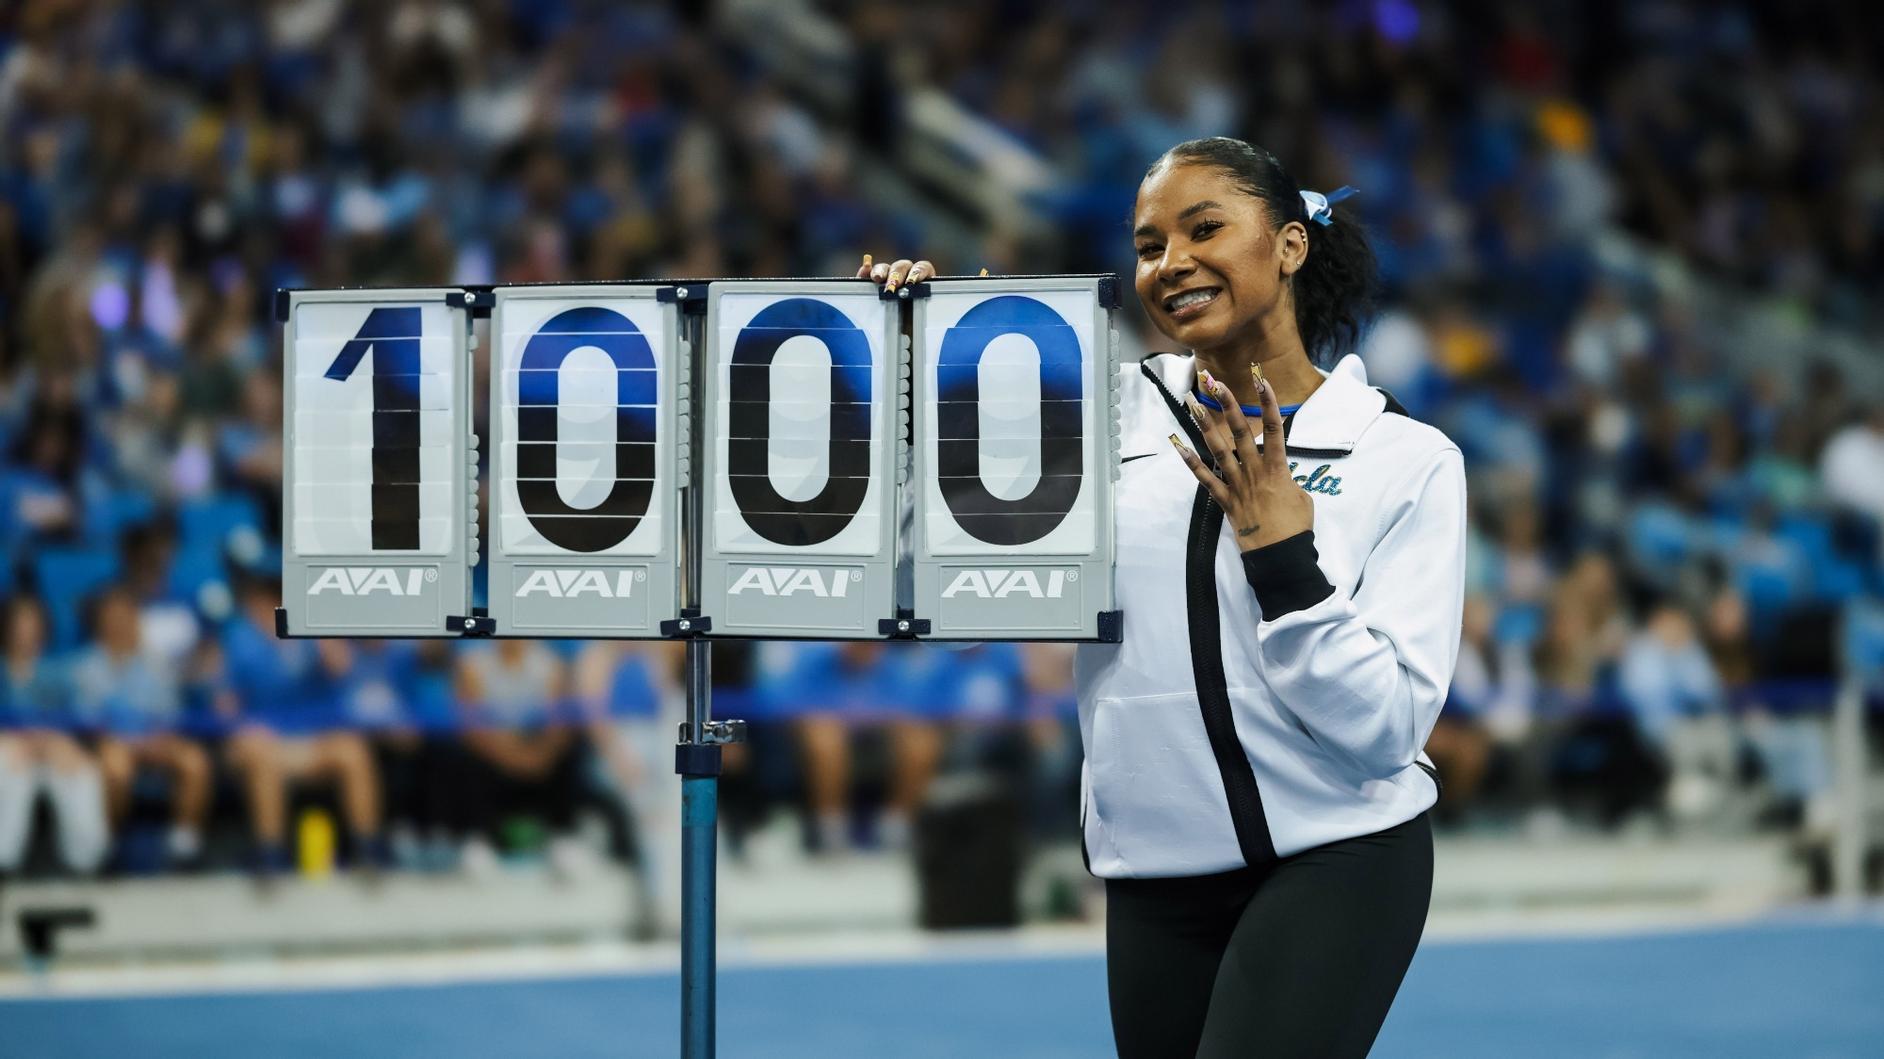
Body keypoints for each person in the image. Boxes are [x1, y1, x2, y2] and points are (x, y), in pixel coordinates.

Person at [861, 135, 1465, 1057]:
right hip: (1155, 873)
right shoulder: (1095, 419)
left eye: (1205, 228)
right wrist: (914, 387)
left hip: (1337, 855)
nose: (1172, 263)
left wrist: (1285, 563)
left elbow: (1388, 728)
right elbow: (932, 598)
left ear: (1290, 245)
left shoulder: (1405, 460)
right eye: (1150, 246)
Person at [71, 586, 212, 869]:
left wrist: (159, 739)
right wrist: (128, 742)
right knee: (116, 766)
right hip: (113, 745)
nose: (123, 622)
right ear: (102, 623)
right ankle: (109, 846)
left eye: (128, 615)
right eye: (115, 616)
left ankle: (184, 847)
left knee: (194, 761)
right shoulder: (85, 668)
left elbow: (171, 714)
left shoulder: (156, 663)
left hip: (156, 742)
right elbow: (88, 723)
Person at [0, 595, 109, 877]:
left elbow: (76, 719)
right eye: (20, 623)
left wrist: (53, 741)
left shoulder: (58, 673)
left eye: (33, 623)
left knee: (81, 771)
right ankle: (5, 863)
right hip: (8, 748)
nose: (26, 631)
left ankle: (84, 864)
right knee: (9, 768)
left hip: (51, 749)